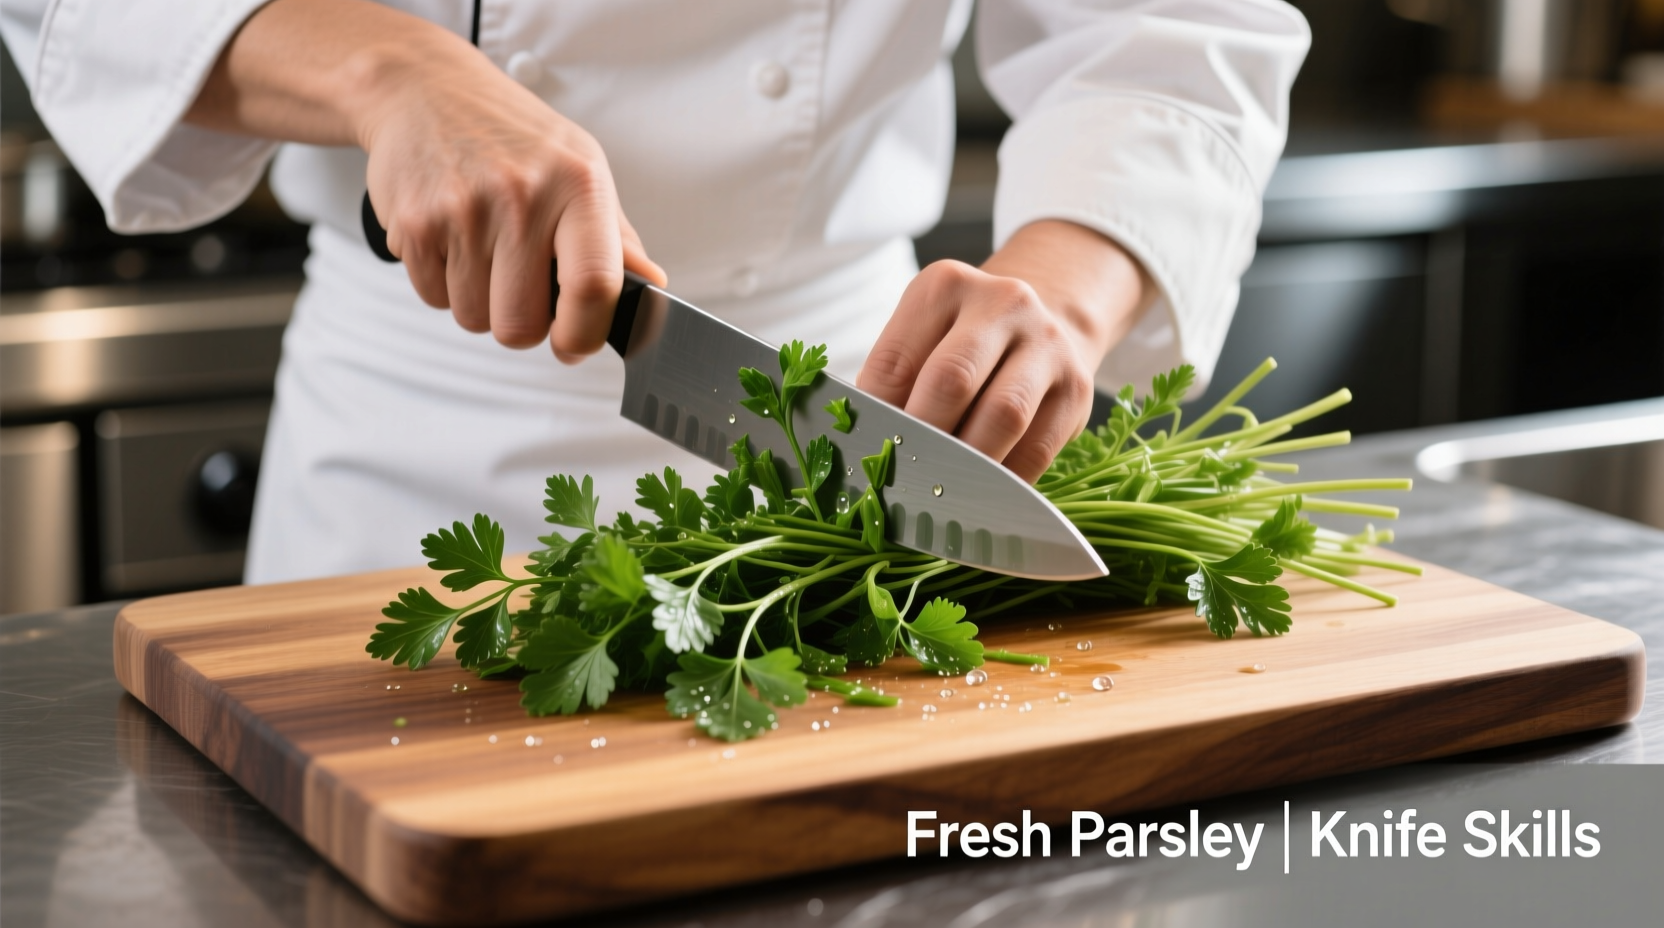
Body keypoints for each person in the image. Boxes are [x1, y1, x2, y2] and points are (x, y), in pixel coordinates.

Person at [0, 0, 1308, 583]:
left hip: (856, 435)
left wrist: (1062, 299)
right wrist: (386, 67)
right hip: (404, 452)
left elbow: (1171, 33)